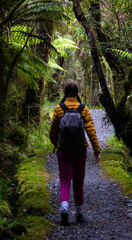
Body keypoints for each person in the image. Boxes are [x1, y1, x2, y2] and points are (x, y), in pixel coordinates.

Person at [49, 82, 101, 226]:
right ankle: (79, 214)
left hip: (64, 151)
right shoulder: (83, 109)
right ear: (77, 92)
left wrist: (57, 144)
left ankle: (64, 208)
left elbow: (53, 131)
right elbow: (91, 131)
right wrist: (96, 150)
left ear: (65, 92)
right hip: (80, 151)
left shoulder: (59, 108)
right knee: (79, 182)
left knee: (65, 180)